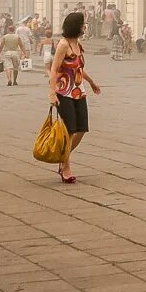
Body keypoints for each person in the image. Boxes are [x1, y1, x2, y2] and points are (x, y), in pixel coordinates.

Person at [48, 11, 101, 185]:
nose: (84, 27)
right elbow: (54, 69)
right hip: (64, 92)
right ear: (75, 25)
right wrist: (52, 93)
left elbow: (78, 68)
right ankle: (66, 167)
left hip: (79, 90)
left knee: (82, 128)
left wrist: (92, 82)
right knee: (69, 130)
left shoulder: (77, 43)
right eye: (82, 24)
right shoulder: (63, 45)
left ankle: (63, 158)